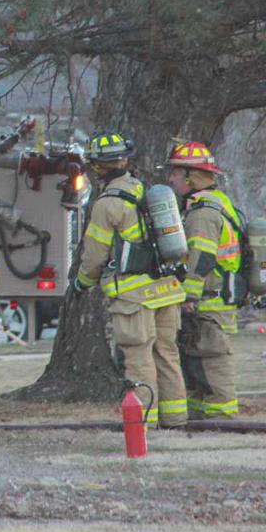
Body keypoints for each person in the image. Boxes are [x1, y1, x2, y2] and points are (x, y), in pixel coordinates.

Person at [73, 131, 188, 428]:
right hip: (166, 289)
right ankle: (175, 419)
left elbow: (95, 255)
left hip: (134, 297)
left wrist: (82, 283)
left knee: (138, 358)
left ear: (97, 167)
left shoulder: (107, 204)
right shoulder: (144, 189)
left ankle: (143, 424)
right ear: (124, 159)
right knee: (167, 354)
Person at [165, 141, 242, 418]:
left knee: (212, 356)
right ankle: (200, 418)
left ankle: (221, 417)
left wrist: (190, 296)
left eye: (175, 173)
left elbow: (202, 258)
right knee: (198, 359)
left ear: (191, 176)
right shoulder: (214, 204)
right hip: (212, 299)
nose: (171, 178)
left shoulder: (204, 212)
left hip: (210, 302)